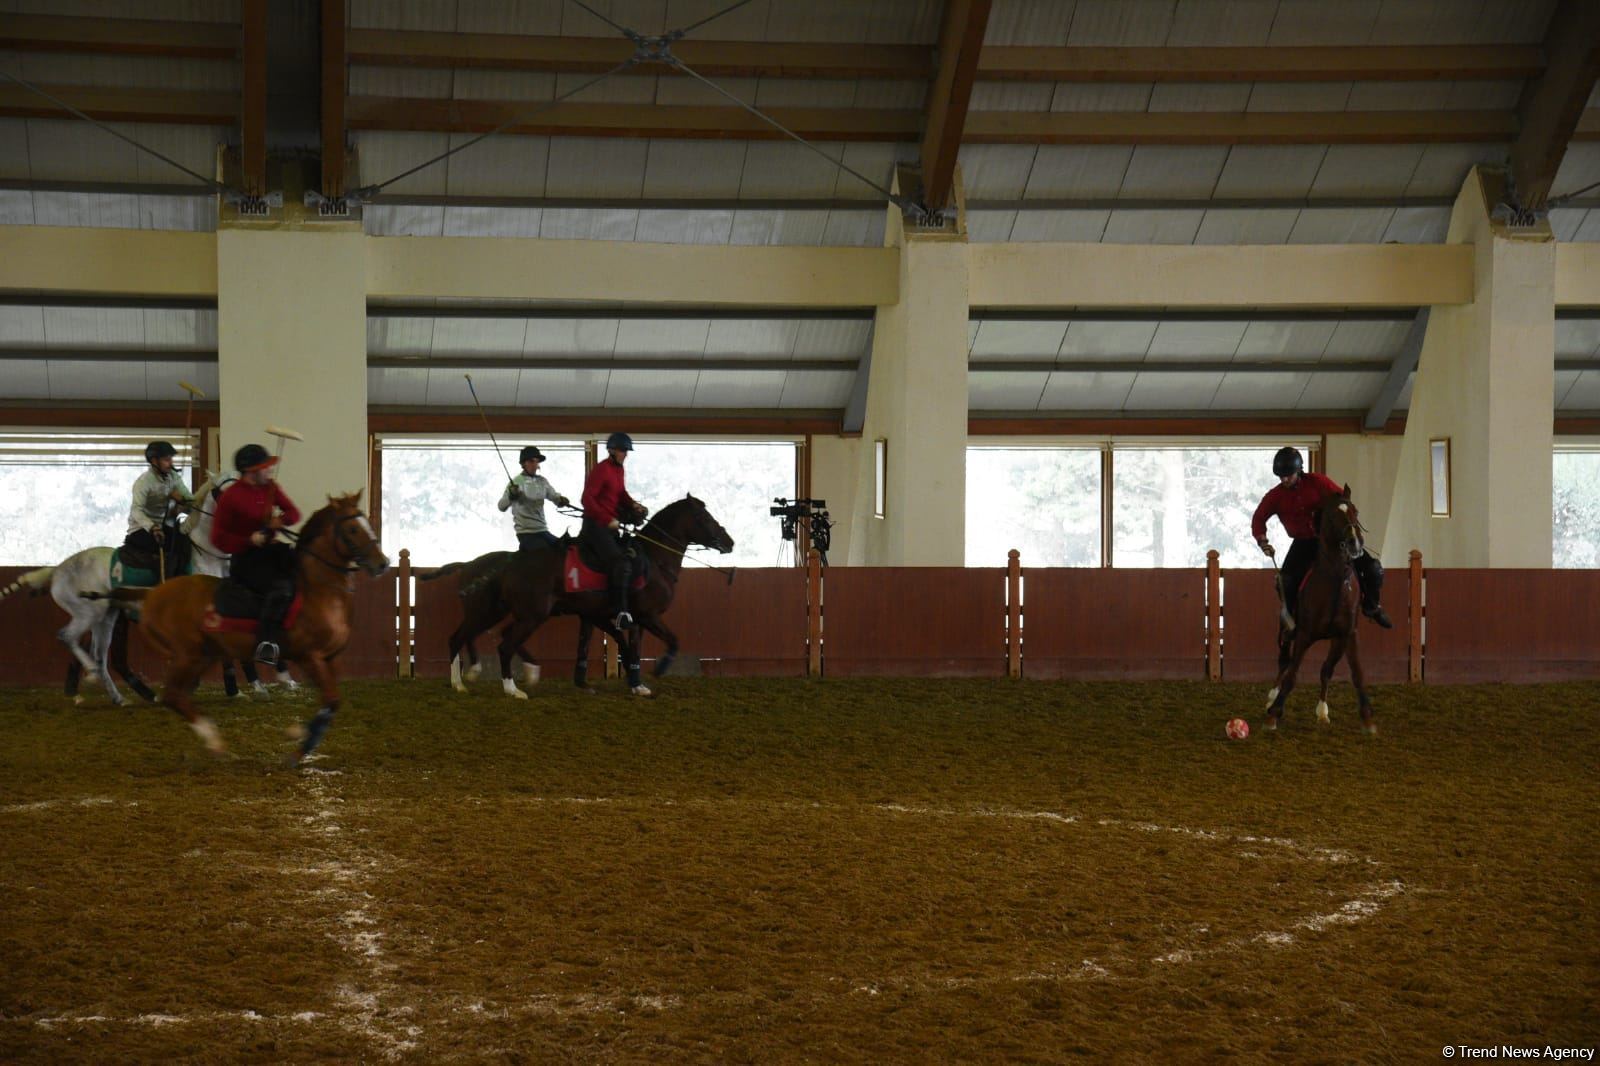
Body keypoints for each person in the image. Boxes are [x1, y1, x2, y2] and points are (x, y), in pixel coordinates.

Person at [1252, 446, 1392, 630]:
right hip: (1303, 543)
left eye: (1289, 475)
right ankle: (1292, 618)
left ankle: (1372, 606)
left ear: (1299, 471)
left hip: (1332, 540)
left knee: (1374, 568)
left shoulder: (1318, 482)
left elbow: (1342, 501)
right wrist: (1263, 542)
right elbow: (1259, 518)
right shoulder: (1275, 496)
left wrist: (1348, 528)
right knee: (1285, 581)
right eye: (1281, 476)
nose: (1284, 479)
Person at [210, 443, 302, 663]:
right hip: (246, 559)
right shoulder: (230, 497)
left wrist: (279, 520)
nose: (269, 470)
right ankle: (266, 643)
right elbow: (217, 538)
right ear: (251, 471)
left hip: (271, 552)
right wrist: (248, 540)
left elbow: (294, 513)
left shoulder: (271, 487)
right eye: (264, 467)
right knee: (280, 587)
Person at [580, 432, 649, 628]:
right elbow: (586, 499)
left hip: (610, 526)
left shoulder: (619, 470)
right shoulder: (601, 470)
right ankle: (619, 613)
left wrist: (634, 504)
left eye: (626, 451)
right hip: (595, 526)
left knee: (631, 556)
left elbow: (621, 493)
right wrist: (606, 518)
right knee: (619, 562)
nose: (625, 454)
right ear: (611, 450)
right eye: (622, 450)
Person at [124, 440, 194, 580]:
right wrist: (153, 528)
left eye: (171, 459)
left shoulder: (173, 477)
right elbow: (136, 510)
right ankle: (164, 585)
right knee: (170, 547)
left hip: (164, 526)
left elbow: (189, 500)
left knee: (186, 542)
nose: (170, 463)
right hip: (141, 529)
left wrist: (182, 501)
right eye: (166, 460)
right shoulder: (144, 482)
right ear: (154, 461)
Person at [498, 446, 571, 552]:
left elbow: (554, 497)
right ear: (523, 464)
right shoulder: (516, 482)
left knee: (565, 550)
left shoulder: (543, 481)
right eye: (531, 461)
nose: (535, 465)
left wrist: (561, 500)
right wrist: (511, 496)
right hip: (526, 534)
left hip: (543, 531)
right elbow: (501, 506)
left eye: (537, 462)